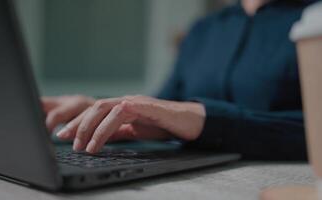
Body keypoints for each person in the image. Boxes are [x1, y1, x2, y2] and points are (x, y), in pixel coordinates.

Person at [42, 0, 317, 160]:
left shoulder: (314, 23)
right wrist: (104, 110)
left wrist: (205, 119)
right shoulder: (204, 29)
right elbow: (163, 108)